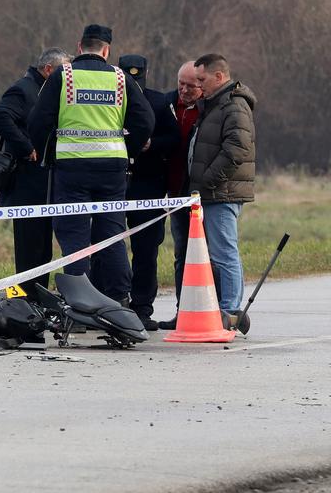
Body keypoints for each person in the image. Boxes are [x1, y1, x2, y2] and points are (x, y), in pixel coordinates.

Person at [28, 24, 154, 303]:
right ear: (106, 51)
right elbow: (145, 120)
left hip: (72, 168)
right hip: (112, 169)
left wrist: (47, 151)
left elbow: (38, 120)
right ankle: (119, 299)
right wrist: (126, 149)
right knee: (111, 235)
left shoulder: (64, 76)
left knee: (74, 238)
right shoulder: (121, 79)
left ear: (79, 46)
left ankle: (79, 303)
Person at [0, 47, 71, 297]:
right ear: (48, 70)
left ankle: (37, 300)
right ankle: (24, 303)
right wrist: (26, 147)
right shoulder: (23, 90)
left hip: (43, 186)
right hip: (26, 186)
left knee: (42, 248)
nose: (68, 78)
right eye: (63, 71)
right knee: (29, 250)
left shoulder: (45, 90)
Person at [188, 53, 256, 320]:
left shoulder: (234, 106)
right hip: (212, 192)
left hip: (221, 193)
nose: (198, 86)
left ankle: (230, 310)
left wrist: (207, 181)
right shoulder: (215, 105)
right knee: (219, 253)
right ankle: (223, 308)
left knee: (224, 253)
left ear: (219, 76)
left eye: (202, 79)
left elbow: (236, 149)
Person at [117, 55, 179, 331]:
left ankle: (142, 307)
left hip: (148, 184)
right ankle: (113, 301)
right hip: (115, 183)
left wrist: (151, 144)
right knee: (109, 246)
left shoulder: (158, 102)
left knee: (145, 249)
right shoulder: (109, 100)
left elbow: (175, 138)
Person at [157, 61, 204, 331]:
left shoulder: (209, 110)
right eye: (180, 84)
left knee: (208, 255)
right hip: (175, 193)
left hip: (200, 194)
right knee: (182, 254)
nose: (184, 90)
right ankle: (182, 310)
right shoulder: (166, 104)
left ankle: (215, 309)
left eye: (191, 86)